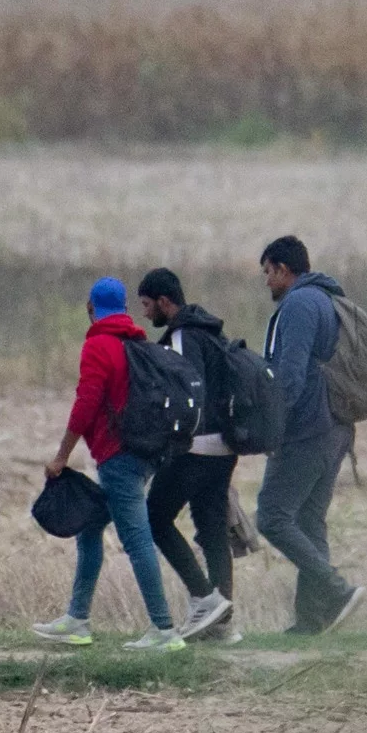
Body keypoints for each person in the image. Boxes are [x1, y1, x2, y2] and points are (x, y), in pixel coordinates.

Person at [32, 277, 187, 651]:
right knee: (90, 526)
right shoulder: (136, 343)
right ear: (124, 308)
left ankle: (164, 630)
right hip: (143, 452)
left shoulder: (99, 346)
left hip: (119, 457)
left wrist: (61, 456)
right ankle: (77, 619)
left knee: (136, 538)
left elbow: (86, 404)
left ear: (91, 307)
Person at [255, 236, 364, 634]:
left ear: (284, 269)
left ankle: (336, 590)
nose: (267, 281)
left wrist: (272, 427)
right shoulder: (326, 299)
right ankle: (311, 620)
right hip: (335, 427)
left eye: (268, 272)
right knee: (308, 520)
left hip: (308, 429)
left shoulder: (299, 304)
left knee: (271, 515)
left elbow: (290, 376)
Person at [136, 266, 240, 643]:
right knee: (212, 525)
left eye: (147, 305)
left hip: (197, 445)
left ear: (165, 301)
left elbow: (186, 389)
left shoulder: (182, 336)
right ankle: (223, 623)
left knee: (153, 517)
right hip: (226, 446)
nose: (145, 313)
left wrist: (166, 440)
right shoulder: (213, 332)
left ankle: (203, 599)